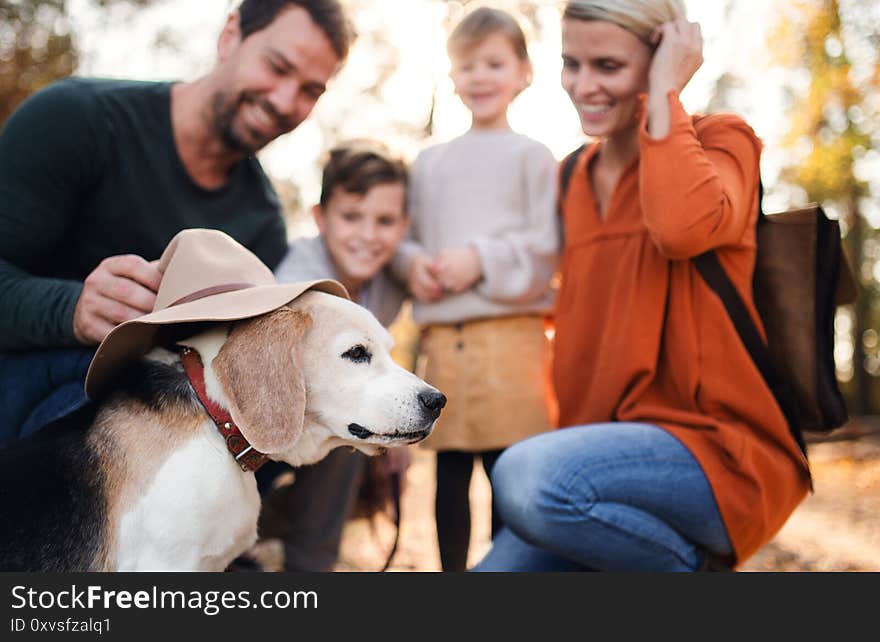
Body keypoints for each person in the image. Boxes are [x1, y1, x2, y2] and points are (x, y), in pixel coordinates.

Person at [473, 0, 811, 572]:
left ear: (662, 59)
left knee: (525, 477)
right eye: (570, 63)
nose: (583, 86)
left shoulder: (724, 141)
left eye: (607, 65)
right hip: (594, 466)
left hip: (717, 454)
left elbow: (681, 229)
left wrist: (664, 93)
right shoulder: (571, 176)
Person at [0, 0, 354, 447]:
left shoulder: (262, 223)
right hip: (36, 388)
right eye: (276, 66)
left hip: (164, 419)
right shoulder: (76, 120)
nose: (286, 100)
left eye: (310, 91)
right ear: (230, 36)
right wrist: (71, 309)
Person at [392, 7, 561, 572]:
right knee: (449, 474)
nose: (481, 77)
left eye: (495, 63)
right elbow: (404, 236)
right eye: (467, 66)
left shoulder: (534, 156)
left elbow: (547, 247)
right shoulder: (429, 163)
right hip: (446, 340)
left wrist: (480, 260)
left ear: (524, 72)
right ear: (452, 76)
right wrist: (414, 263)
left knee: (509, 472)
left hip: (513, 342)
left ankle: (509, 573)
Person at [251, 141, 411, 572]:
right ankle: (262, 547)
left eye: (384, 222)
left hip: (314, 439)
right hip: (263, 418)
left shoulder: (387, 282)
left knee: (356, 442)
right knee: (344, 428)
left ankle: (307, 559)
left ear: (403, 227)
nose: (367, 235)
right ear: (321, 219)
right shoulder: (301, 281)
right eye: (351, 217)